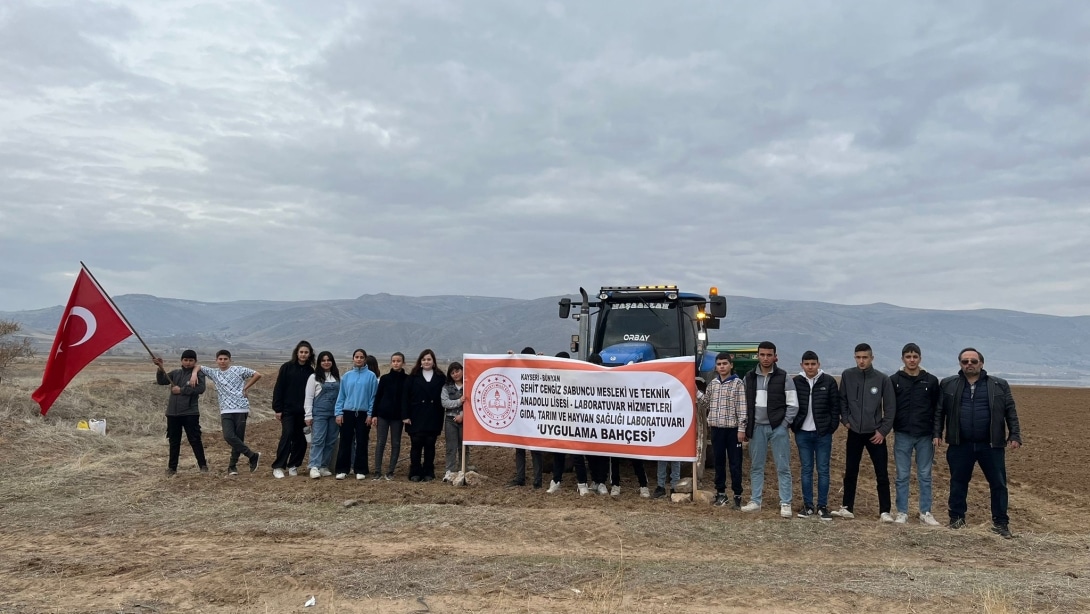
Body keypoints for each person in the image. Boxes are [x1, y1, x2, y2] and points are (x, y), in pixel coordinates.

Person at [934, 348, 1022, 538]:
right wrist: (937, 433)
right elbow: (939, 412)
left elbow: (1010, 411)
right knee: (958, 483)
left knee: (998, 484)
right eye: (965, 361)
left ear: (981, 363)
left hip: (990, 445)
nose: (969, 364)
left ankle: (1000, 523)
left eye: (973, 361)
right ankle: (957, 521)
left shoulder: (999, 385)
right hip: (960, 444)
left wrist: (1015, 434)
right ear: (960, 364)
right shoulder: (948, 384)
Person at [832, 343, 896, 521]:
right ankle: (847, 508)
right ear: (855, 358)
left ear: (871, 358)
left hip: (875, 435)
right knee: (850, 470)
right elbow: (842, 400)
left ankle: (885, 511)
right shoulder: (847, 375)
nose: (861, 361)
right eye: (858, 357)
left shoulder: (882, 379)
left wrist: (882, 431)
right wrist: (845, 420)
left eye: (865, 357)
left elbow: (890, 409)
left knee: (881, 472)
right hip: (854, 433)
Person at [740, 341, 798, 517]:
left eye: (769, 355)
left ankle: (785, 503)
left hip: (777, 429)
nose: (765, 358)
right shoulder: (749, 378)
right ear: (758, 356)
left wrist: (783, 425)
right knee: (756, 466)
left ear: (775, 356)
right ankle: (755, 501)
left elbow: (793, 405)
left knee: (783, 467)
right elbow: (744, 404)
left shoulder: (784, 377)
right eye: (762, 354)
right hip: (757, 428)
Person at [890, 343, 941, 525]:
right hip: (903, 434)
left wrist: (937, 433)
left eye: (915, 356)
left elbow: (937, 409)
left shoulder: (931, 381)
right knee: (902, 475)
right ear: (902, 358)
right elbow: (889, 408)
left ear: (920, 358)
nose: (912, 360)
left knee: (925, 475)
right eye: (908, 356)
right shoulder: (894, 380)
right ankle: (902, 512)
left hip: (925, 435)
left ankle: (925, 512)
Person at [791, 351, 841, 520]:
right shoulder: (796, 382)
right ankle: (808, 506)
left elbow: (835, 407)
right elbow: (791, 404)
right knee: (806, 470)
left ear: (818, 364)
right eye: (807, 364)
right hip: (803, 433)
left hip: (822, 434)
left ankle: (822, 506)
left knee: (823, 470)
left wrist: (830, 427)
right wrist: (795, 425)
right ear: (802, 365)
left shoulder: (829, 381)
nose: (810, 367)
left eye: (813, 364)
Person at [197, 349, 262, 475]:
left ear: (230, 360)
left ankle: (232, 466)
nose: (222, 361)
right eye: (220, 359)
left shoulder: (238, 370)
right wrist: (194, 374)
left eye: (225, 359)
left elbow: (257, 374)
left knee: (238, 438)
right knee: (228, 436)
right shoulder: (214, 373)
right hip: (225, 409)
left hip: (241, 407)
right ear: (216, 361)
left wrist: (246, 387)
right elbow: (199, 366)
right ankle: (252, 456)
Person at [152, 350, 208, 475]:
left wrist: (181, 390)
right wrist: (160, 368)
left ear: (195, 361)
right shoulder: (176, 373)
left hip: (190, 413)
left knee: (194, 439)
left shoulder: (198, 374)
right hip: (172, 413)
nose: (188, 363)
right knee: (174, 441)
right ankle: (172, 468)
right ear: (181, 361)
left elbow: (200, 389)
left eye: (191, 360)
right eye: (185, 360)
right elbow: (162, 381)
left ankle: (203, 466)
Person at [706, 352, 746, 509]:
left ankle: (737, 495)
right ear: (716, 367)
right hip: (716, 429)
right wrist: (695, 391)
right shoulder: (713, 384)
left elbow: (742, 409)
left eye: (724, 363)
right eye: (719, 364)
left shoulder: (738, 384)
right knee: (719, 462)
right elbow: (704, 402)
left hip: (733, 430)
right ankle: (721, 493)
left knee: (735, 463)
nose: (722, 366)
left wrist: (741, 429)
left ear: (731, 365)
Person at [271, 341, 315, 479]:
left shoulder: (311, 372)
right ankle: (278, 466)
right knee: (287, 435)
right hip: (287, 410)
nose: (303, 354)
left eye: (306, 352)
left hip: (303, 412)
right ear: (297, 353)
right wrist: (278, 409)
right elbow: (279, 388)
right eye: (301, 352)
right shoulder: (286, 368)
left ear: (309, 354)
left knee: (301, 439)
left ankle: (293, 465)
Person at [402, 349, 446, 482]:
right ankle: (415, 471)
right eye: (424, 359)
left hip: (434, 415)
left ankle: (428, 471)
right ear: (420, 362)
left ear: (433, 362)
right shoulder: (412, 377)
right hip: (415, 415)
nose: (426, 362)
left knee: (430, 444)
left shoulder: (440, 377)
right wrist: (405, 415)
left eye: (429, 359)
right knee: (416, 444)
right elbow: (405, 398)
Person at [334, 349, 378, 480]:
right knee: (345, 441)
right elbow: (341, 396)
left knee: (362, 441)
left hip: (363, 414)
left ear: (365, 359)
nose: (359, 359)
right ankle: (342, 469)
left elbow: (373, 397)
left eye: (361, 357)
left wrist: (370, 414)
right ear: (353, 358)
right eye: (356, 357)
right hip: (347, 412)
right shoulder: (346, 376)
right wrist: (338, 413)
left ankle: (361, 469)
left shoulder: (371, 376)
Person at [508, 346, 544, 488]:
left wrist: (542, 361)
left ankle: (531, 479)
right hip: (523, 417)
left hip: (532, 417)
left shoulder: (538, 370)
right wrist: (510, 358)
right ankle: (530, 479)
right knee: (523, 449)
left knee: (532, 450)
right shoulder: (518, 371)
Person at [304, 351, 340, 479]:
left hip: (334, 414)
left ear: (332, 362)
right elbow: (308, 397)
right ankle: (314, 466)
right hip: (319, 413)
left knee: (330, 440)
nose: (326, 362)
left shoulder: (336, 377)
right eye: (323, 360)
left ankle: (324, 466)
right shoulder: (313, 377)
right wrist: (308, 415)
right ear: (319, 363)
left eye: (328, 360)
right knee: (318, 440)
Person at [373, 352, 407, 480]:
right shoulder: (384, 378)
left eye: (398, 361)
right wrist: (374, 414)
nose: (396, 363)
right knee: (380, 442)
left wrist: (406, 415)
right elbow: (378, 397)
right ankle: (377, 471)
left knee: (396, 443)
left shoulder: (407, 379)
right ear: (390, 362)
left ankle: (390, 471)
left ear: (403, 363)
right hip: (383, 415)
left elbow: (407, 399)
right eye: (393, 361)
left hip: (398, 417)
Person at [440, 361, 469, 482]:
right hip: (450, 420)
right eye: (452, 373)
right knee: (451, 447)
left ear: (462, 370)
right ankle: (450, 471)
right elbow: (444, 402)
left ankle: (464, 470)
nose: (455, 374)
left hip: (465, 420)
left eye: (457, 371)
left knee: (464, 446)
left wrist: (462, 415)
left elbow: (471, 403)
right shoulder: (446, 387)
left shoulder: (469, 386)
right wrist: (458, 402)